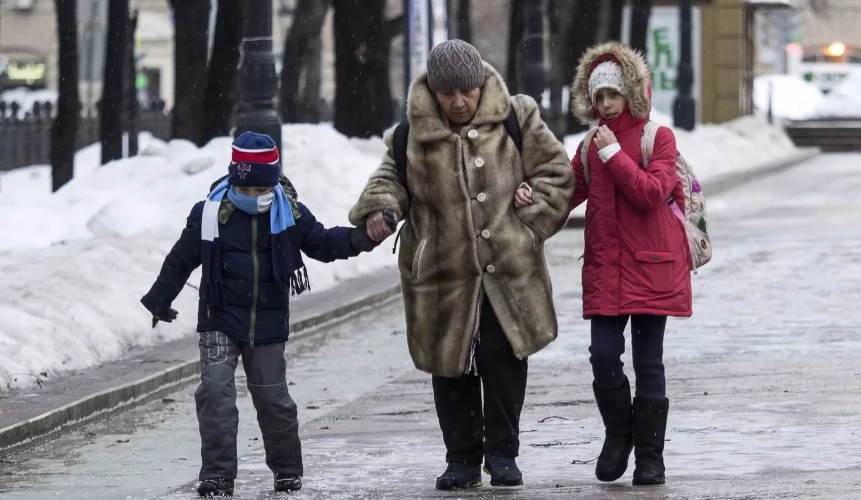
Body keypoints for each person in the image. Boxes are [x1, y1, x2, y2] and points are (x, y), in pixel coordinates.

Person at [349, 40, 573, 490]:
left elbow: (557, 174)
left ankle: (503, 454)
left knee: (503, 358)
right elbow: (388, 178)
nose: (458, 102)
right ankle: (462, 459)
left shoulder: (517, 117)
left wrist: (528, 223)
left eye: (466, 91)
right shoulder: (409, 135)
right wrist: (382, 208)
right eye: (447, 93)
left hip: (508, 268)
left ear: (479, 84)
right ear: (433, 92)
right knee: (451, 365)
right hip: (442, 273)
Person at [140, 132, 385, 497]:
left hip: (267, 324)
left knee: (273, 400)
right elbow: (180, 260)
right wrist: (159, 299)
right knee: (216, 394)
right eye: (248, 189)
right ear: (236, 180)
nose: (256, 197)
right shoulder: (210, 213)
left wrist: (362, 238)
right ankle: (218, 474)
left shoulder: (289, 211)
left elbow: (322, 243)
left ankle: (286, 469)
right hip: (219, 318)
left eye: (262, 190)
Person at [568, 41, 692, 486]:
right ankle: (618, 434)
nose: (604, 104)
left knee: (649, 361)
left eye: (612, 95)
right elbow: (565, 192)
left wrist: (612, 156)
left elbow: (649, 193)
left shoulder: (657, 138)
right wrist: (529, 194)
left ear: (631, 94)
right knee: (603, 356)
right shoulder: (588, 144)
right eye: (598, 96)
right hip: (605, 268)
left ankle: (651, 457)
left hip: (651, 266)